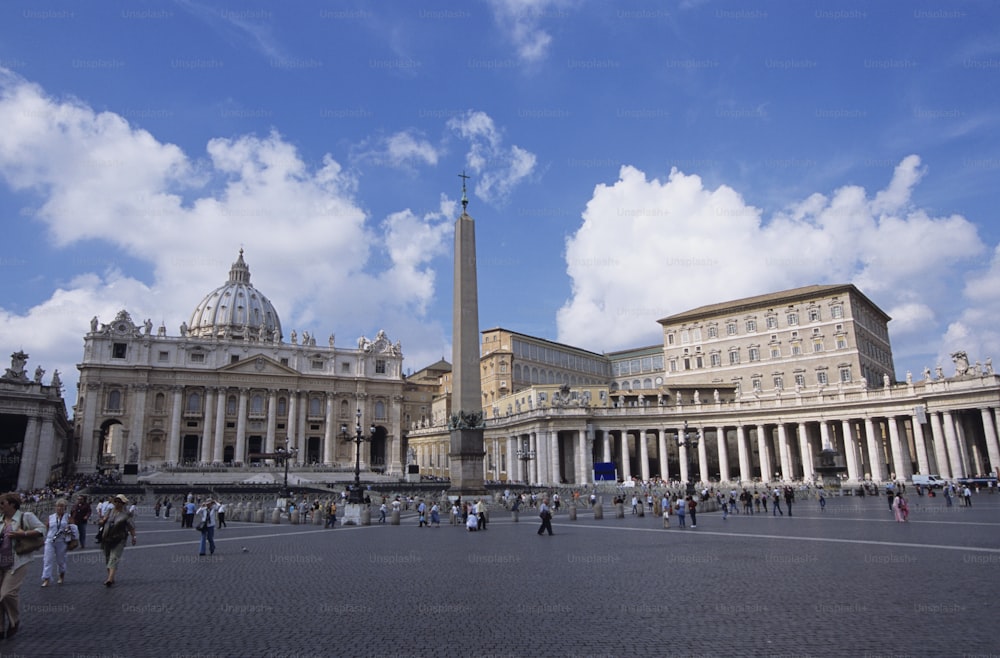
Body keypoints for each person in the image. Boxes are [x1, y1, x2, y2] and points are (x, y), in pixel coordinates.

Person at [0, 492, 45, 638]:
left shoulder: (26, 516)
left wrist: (23, 534)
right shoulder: (0, 519)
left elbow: (42, 529)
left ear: (12, 504)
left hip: (17, 562)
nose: (0, 506)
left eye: (2, 503)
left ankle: (15, 620)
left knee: (7, 594)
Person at [99, 494, 137, 587]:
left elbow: (131, 527)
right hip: (106, 537)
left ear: (123, 503)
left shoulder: (126, 514)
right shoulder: (110, 511)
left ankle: (110, 579)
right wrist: (102, 521)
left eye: (119, 501)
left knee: (114, 557)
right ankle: (110, 576)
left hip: (119, 538)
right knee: (108, 558)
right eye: (115, 501)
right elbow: (103, 520)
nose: (117, 503)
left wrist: (133, 537)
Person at [41, 498, 78, 587]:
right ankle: (46, 578)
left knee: (61, 561)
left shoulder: (68, 517)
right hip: (50, 540)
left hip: (62, 541)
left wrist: (74, 539)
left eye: (62, 506)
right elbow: (45, 528)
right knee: (47, 560)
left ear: (65, 508)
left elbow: (74, 529)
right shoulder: (51, 517)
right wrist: (42, 538)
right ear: (55, 507)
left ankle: (61, 575)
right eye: (58, 506)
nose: (59, 508)